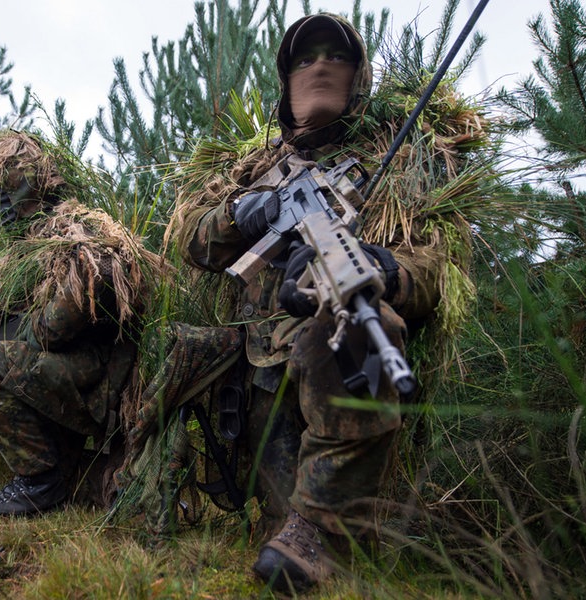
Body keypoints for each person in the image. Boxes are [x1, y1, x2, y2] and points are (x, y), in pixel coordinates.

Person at [169, 13, 448, 593]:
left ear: (359, 76)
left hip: (326, 376)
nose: (318, 64)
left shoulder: (393, 162)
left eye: (334, 54)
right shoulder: (252, 168)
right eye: (303, 57)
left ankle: (319, 530)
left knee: (360, 330)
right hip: (250, 386)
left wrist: (376, 265)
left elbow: (431, 267)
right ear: (284, 84)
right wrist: (244, 213)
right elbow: (186, 239)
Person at [0, 130, 163, 517]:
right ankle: (62, 466)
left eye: (6, 186)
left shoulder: (72, 227)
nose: (0, 203)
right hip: (77, 373)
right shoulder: (30, 251)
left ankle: (41, 481)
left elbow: (74, 305)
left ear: (30, 181)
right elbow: (19, 305)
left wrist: (16, 329)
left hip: (103, 382)